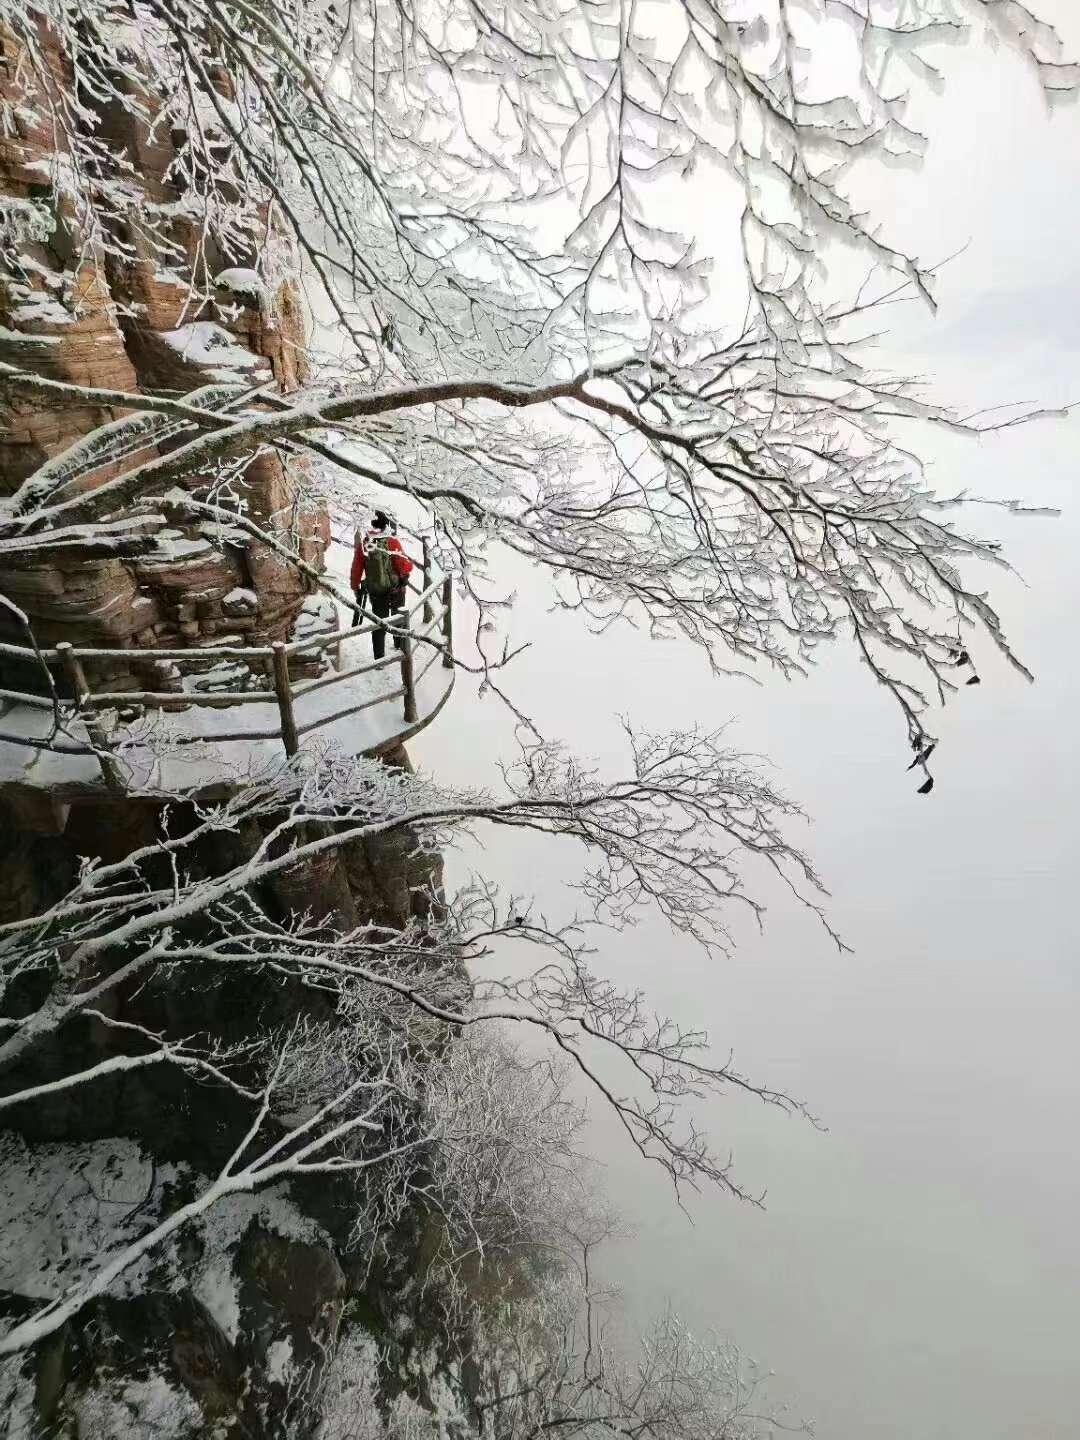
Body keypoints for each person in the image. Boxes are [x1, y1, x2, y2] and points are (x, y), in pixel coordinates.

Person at [350, 511, 413, 660]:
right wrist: (408, 569)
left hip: (376, 590)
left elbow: (356, 568)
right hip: (396, 590)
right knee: (398, 618)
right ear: (386, 525)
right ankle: (400, 646)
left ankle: (379, 656)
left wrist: (355, 586)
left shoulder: (364, 544)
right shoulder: (392, 543)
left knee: (379, 622)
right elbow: (404, 566)